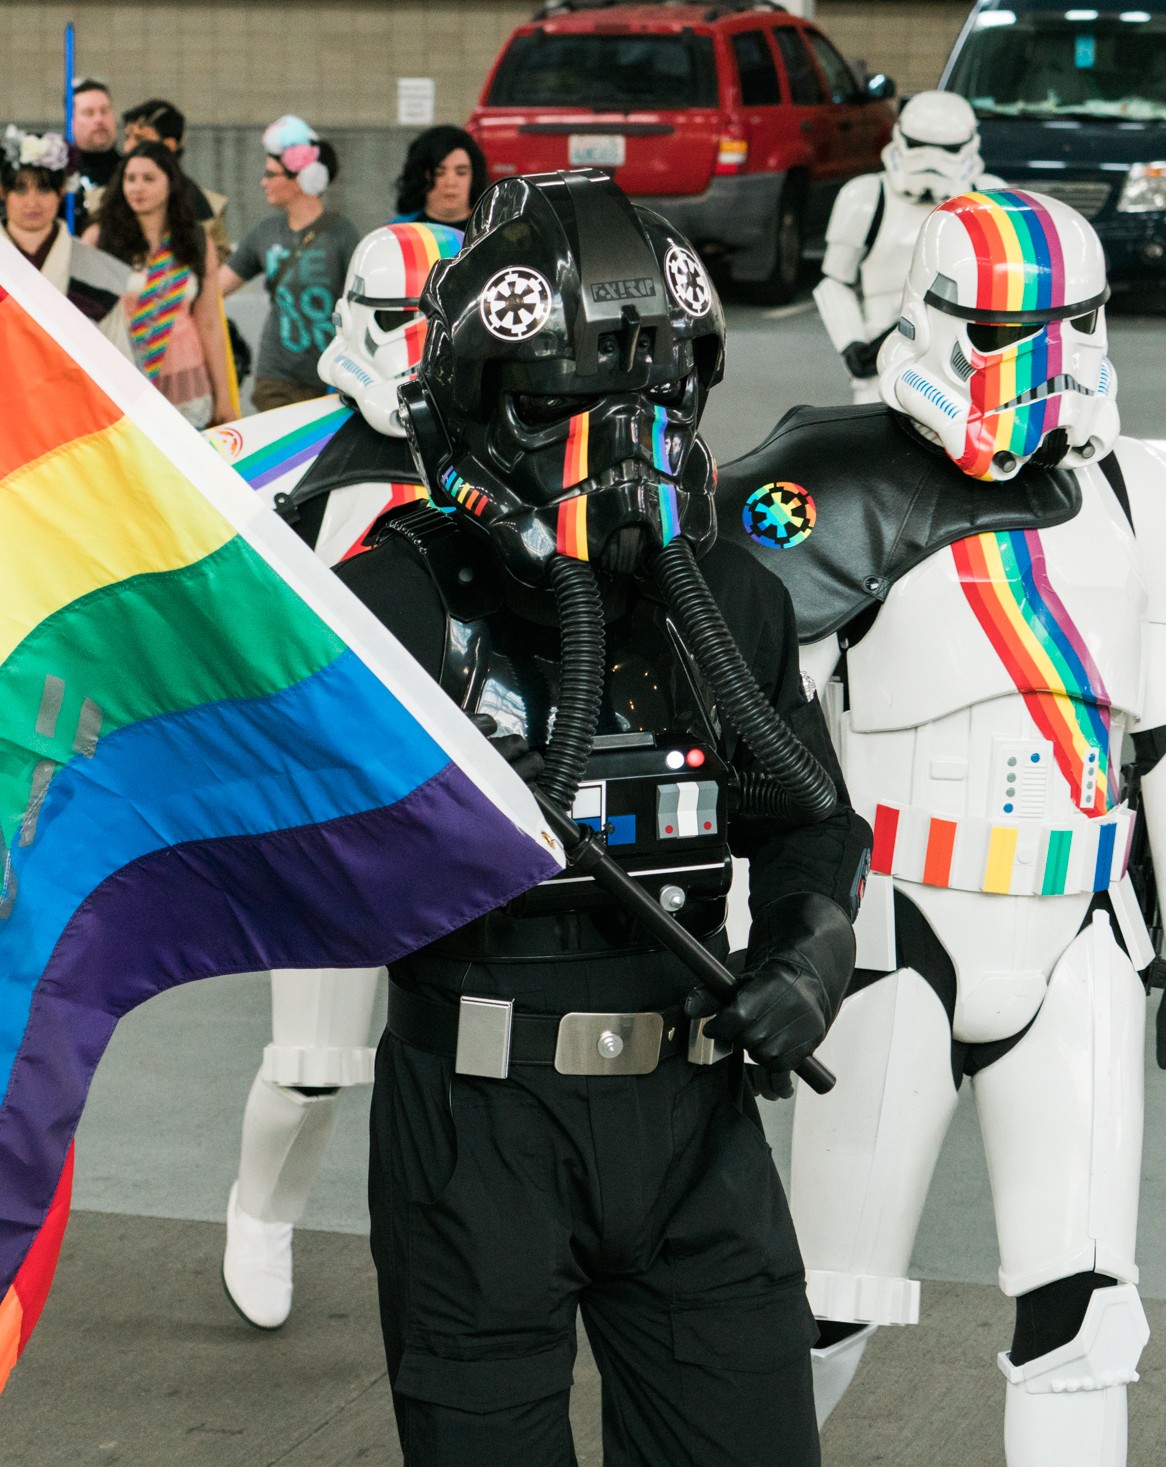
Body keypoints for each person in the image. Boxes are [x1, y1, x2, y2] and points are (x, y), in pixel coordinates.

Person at [339, 170, 868, 1466]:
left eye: (652, 398)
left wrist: (810, 953)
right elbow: (283, 853)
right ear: (473, 404)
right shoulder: (394, 605)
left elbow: (812, 820)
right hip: (477, 1126)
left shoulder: (727, 600)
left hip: (694, 1118)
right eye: (566, 403)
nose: (617, 446)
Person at [719, 189, 1166, 1463]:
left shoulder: (1147, 499)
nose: (1053, 364)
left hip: (1079, 941)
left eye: (1077, 325)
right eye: (1019, 329)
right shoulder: (828, 478)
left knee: (1083, 1310)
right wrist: (752, 922)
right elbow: (732, 707)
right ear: (941, 319)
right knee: (824, 1304)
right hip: (893, 930)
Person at [209, 220, 462, 1330]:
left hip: (478, 797)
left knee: (473, 1058)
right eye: (408, 321)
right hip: (331, 800)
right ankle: (260, 1211)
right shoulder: (274, 456)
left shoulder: (512, 448)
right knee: (314, 1060)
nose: (421, 349)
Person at [814, 91, 1002, 403]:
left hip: (966, 362)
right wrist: (852, 344)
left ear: (969, 145)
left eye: (948, 148)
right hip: (882, 361)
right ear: (900, 138)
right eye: (918, 145)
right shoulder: (865, 197)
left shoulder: (991, 198)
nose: (931, 159)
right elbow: (834, 282)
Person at [82, 141, 236, 427]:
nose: (137, 187)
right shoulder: (98, 239)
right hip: (123, 376)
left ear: (171, 184)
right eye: (131, 179)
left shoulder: (197, 241)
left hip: (186, 378)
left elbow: (210, 322)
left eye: (149, 178)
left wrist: (223, 397)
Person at [218, 116, 360, 413]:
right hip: (276, 377)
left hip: (332, 376)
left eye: (272, 174)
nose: (263, 181)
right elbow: (217, 288)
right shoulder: (265, 233)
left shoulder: (342, 234)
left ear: (303, 180)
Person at [0, 126, 128, 325]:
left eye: (44, 189)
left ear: (61, 190)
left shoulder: (100, 274)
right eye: (20, 189)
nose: (32, 202)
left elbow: (114, 351)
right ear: (2, 191)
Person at [122, 98, 229, 261]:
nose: (128, 147)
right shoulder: (102, 201)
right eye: (127, 138)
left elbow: (215, 276)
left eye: (140, 139)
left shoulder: (206, 209)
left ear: (169, 146)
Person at [390, 126, 488, 231]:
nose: (451, 182)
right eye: (439, 173)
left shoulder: (492, 235)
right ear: (421, 176)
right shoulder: (395, 234)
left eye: (461, 173)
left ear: (475, 177)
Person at [71, 77, 121, 210]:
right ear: (71, 121)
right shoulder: (63, 177)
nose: (99, 119)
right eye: (89, 113)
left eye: (104, 111)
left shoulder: (131, 173)